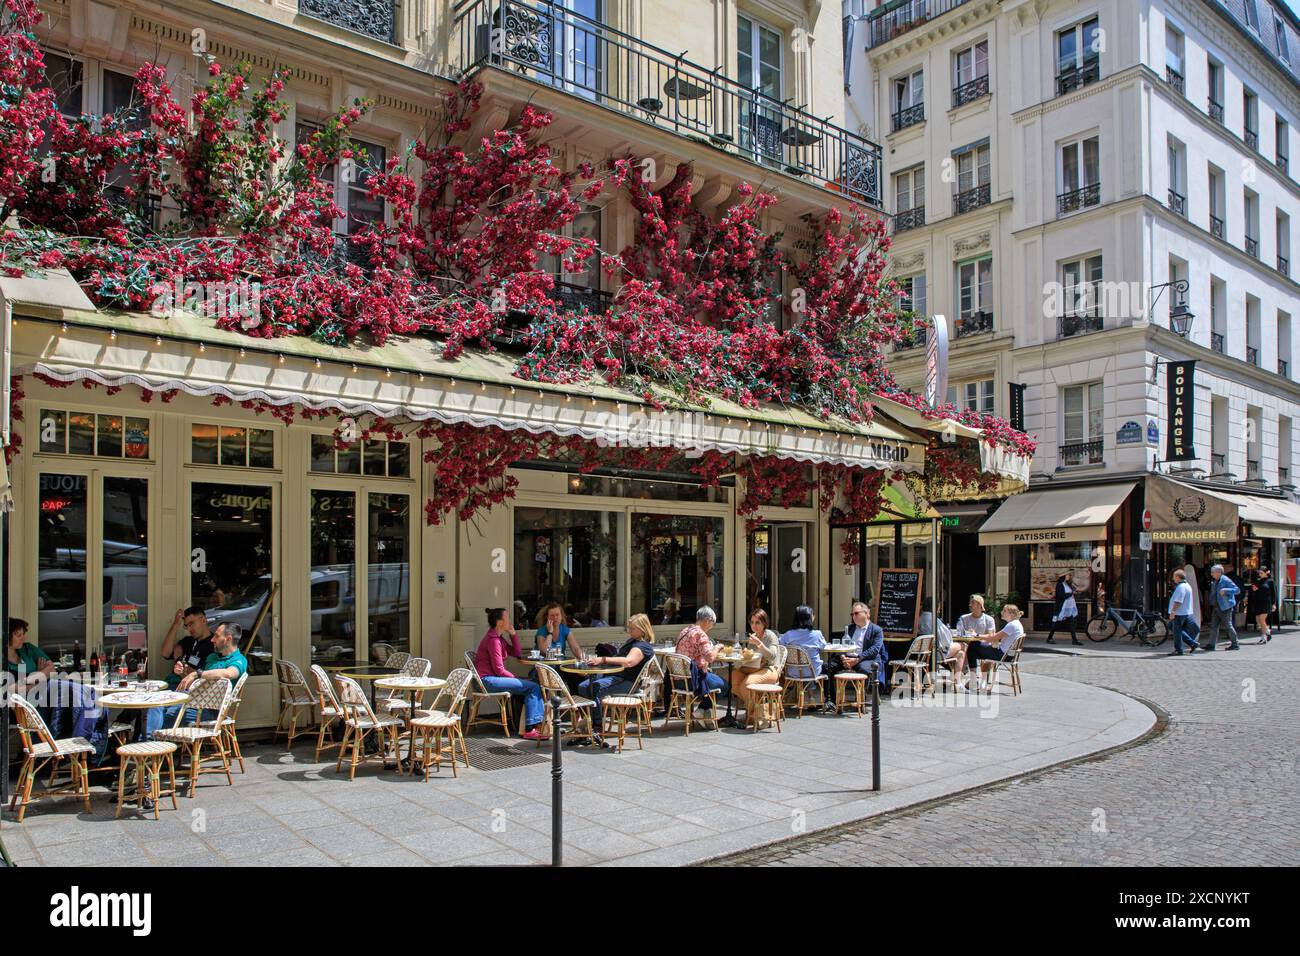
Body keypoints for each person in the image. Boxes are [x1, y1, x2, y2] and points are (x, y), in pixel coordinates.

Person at [148, 622, 248, 736]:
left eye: (217, 636)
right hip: (192, 701)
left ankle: (154, 746)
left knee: (168, 712)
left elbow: (229, 673)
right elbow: (200, 680)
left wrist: (196, 673)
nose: (212, 640)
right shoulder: (212, 657)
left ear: (228, 639)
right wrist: (183, 672)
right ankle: (150, 744)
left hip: (209, 710)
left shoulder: (239, 660)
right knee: (154, 704)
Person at [475, 608, 548, 741]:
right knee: (533, 687)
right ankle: (530, 728)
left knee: (534, 683)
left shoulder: (499, 639)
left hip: (492, 678)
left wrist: (513, 634)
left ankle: (535, 724)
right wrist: (516, 678)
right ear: (500, 622)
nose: (510, 620)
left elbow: (517, 653)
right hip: (487, 681)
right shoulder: (493, 640)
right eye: (507, 618)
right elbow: (499, 670)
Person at [579, 613, 656, 730]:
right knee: (582, 686)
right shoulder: (633, 641)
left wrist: (603, 659)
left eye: (632, 628)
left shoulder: (642, 646)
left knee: (592, 688)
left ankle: (597, 725)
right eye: (629, 628)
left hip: (627, 682)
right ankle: (588, 719)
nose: (629, 631)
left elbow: (629, 661)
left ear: (642, 629)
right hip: (617, 676)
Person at [825, 602, 887, 701]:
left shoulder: (876, 630)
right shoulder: (850, 628)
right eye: (852, 614)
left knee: (865, 669)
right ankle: (832, 700)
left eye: (856, 613)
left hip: (865, 659)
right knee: (827, 667)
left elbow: (874, 650)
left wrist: (857, 659)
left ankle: (860, 699)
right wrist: (843, 657)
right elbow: (842, 645)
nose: (853, 616)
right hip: (847, 658)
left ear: (867, 613)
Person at [732, 609, 782, 727]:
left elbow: (772, 655)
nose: (754, 625)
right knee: (732, 678)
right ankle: (755, 711)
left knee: (747, 684)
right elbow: (751, 656)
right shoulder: (753, 636)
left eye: (757, 622)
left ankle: (756, 715)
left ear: (765, 623)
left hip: (770, 669)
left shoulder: (770, 636)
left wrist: (760, 644)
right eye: (752, 622)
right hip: (754, 668)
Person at [675, 605, 727, 708]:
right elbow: (710, 657)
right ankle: (703, 710)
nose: (712, 627)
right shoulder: (700, 634)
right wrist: (717, 647)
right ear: (708, 620)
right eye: (713, 624)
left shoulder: (685, 631)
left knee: (711, 677)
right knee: (725, 686)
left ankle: (704, 712)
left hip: (678, 680)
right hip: (693, 680)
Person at [965, 604, 1025, 684]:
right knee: (981, 649)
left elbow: (994, 637)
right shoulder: (1016, 623)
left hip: (1002, 655)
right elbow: (995, 637)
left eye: (1004, 611)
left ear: (1011, 614)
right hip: (1008, 655)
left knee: (972, 647)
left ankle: (973, 679)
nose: (1001, 612)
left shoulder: (1012, 625)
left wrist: (977, 635)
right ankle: (982, 680)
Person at [160, 606, 216, 690]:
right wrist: (176, 623)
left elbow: (206, 676)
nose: (189, 629)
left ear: (203, 620)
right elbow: (166, 653)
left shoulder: (214, 644)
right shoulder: (188, 641)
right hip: (171, 683)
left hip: (190, 689)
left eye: (191, 624)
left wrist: (184, 669)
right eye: (186, 626)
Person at [5, 618, 54, 695]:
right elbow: (16, 690)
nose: (24, 638)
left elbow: (51, 669)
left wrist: (25, 680)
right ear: (7, 637)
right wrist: (40, 677)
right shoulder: (3, 663)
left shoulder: (28, 648)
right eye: (19, 635)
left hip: (46, 690)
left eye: (24, 634)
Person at [779, 604, 828, 681]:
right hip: (812, 672)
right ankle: (816, 691)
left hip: (792, 672)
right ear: (809, 618)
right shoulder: (817, 634)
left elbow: (780, 646)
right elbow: (823, 646)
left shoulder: (788, 634)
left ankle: (801, 690)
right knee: (827, 667)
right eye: (813, 615)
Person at [1205, 564, 1241, 652]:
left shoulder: (1225, 580)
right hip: (1216, 606)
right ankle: (1211, 645)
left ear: (1218, 572)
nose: (1211, 574)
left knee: (1228, 626)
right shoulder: (1215, 581)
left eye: (1213, 572)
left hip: (1225, 607)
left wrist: (1226, 590)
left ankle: (1235, 644)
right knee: (1214, 626)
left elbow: (1237, 590)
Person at [1167, 569, 1200, 656]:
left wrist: (1173, 612)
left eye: (1174, 577)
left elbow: (1178, 601)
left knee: (1177, 631)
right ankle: (1192, 643)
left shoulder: (1181, 587)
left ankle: (1179, 650)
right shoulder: (1187, 585)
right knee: (1172, 627)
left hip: (1179, 613)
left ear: (1178, 577)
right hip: (1185, 612)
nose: (1173, 579)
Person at [1045, 571, 1083, 646]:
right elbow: (1061, 595)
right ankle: (1049, 638)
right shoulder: (1059, 585)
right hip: (1061, 608)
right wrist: (1071, 593)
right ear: (1064, 576)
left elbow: (1075, 590)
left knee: (1072, 623)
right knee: (1055, 623)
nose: (1069, 576)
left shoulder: (1068, 584)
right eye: (1067, 575)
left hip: (1069, 607)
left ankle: (1074, 640)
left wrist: (1075, 591)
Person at [1248, 568, 1277, 644]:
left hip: (1266, 602)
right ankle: (1267, 631)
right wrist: (1254, 589)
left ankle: (1263, 637)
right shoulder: (1258, 581)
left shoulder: (1270, 581)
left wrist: (1274, 604)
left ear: (1266, 573)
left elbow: (1274, 593)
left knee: (1261, 619)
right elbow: (1253, 590)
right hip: (1258, 602)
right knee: (1258, 620)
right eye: (1259, 573)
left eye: (1261, 573)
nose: (1260, 574)